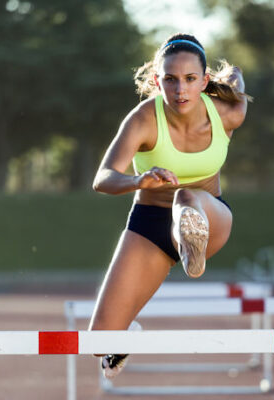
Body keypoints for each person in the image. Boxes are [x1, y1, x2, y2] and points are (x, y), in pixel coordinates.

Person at [88, 33, 250, 378]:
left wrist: (235, 76)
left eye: (191, 80)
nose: (181, 91)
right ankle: (125, 337)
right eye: (171, 80)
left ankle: (192, 241)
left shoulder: (226, 114)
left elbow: (238, 91)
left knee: (185, 196)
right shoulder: (143, 119)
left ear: (205, 81)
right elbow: (102, 178)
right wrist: (137, 181)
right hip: (150, 225)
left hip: (210, 217)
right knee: (98, 342)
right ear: (156, 80)